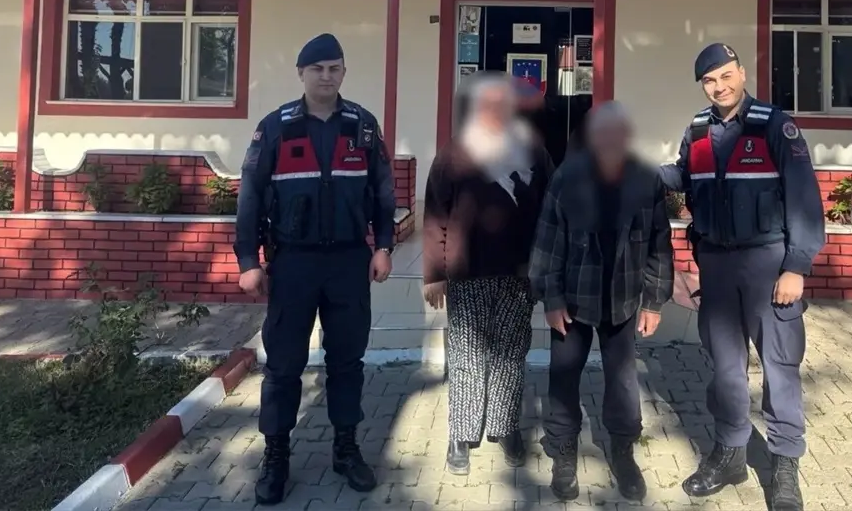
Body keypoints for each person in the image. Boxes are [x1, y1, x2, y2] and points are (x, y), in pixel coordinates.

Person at [659, 43, 825, 511]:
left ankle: (785, 465)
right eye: (710, 81)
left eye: (726, 76)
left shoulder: (775, 125)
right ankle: (730, 453)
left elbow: (805, 200)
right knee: (726, 368)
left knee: (780, 366)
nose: (720, 86)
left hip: (768, 265)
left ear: (742, 73)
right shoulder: (697, 129)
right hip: (716, 264)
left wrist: (796, 265)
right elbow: (685, 179)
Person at [233, 33, 395, 506]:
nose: (326, 76)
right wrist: (249, 261)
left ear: (343, 73)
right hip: (294, 263)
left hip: (348, 261)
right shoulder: (276, 128)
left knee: (347, 361)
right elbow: (250, 198)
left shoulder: (362, 126)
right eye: (317, 68)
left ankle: (346, 449)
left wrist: (383, 246)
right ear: (302, 73)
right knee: (283, 365)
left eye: (334, 68)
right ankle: (276, 456)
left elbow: (383, 194)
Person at [529, 101, 674, 502]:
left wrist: (654, 301)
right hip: (574, 300)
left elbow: (660, 245)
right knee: (563, 377)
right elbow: (547, 243)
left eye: (617, 134)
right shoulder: (567, 177)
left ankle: (624, 450)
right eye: (601, 134)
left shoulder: (646, 180)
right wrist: (551, 298)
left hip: (623, 299)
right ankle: (562, 449)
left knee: (624, 380)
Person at [422, 73, 556, 476]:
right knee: (467, 356)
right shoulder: (455, 152)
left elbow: (551, 212)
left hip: (519, 274)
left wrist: (547, 268)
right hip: (468, 272)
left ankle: (504, 426)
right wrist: (433, 273)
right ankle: (461, 434)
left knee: (510, 355)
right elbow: (435, 214)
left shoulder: (534, 150)